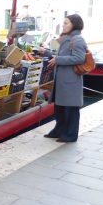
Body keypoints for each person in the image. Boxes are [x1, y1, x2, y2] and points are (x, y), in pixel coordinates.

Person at [44, 14, 87, 143]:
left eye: (66, 23)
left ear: (74, 24)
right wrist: (47, 53)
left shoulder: (78, 39)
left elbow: (80, 58)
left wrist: (58, 59)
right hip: (63, 80)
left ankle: (70, 135)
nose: (63, 25)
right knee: (60, 108)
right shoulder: (68, 38)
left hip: (71, 81)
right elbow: (62, 56)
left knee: (70, 110)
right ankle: (59, 130)